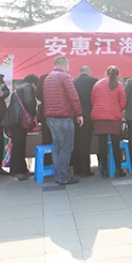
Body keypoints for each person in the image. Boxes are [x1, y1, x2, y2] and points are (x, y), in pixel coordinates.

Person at [43, 56, 83, 185]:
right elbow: (73, 96)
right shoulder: (65, 77)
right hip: (63, 117)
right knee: (66, 148)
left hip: (51, 118)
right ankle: (63, 177)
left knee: (57, 148)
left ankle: (58, 175)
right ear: (66, 65)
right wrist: (79, 113)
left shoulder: (48, 78)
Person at [91, 66, 127, 178]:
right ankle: (118, 169)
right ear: (117, 75)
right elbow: (123, 103)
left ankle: (104, 171)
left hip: (99, 118)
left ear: (106, 73)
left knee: (102, 145)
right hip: (114, 118)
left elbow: (93, 100)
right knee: (116, 145)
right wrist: (116, 110)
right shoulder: (119, 85)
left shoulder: (97, 84)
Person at [1, 74, 38, 180]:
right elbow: (29, 102)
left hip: (15, 119)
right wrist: (34, 114)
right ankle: (16, 170)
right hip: (18, 120)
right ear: (33, 83)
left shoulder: (20, 88)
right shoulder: (28, 87)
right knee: (18, 145)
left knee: (20, 144)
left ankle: (22, 169)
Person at [72, 66, 98, 177]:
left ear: (79, 73)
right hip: (89, 116)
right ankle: (85, 170)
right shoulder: (94, 81)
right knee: (86, 143)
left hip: (75, 116)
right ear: (89, 72)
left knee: (76, 142)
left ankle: (76, 169)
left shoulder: (73, 82)